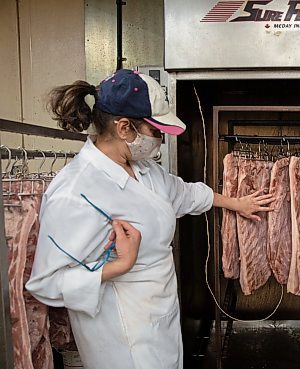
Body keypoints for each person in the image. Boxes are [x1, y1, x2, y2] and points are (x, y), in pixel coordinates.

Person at [26, 69, 274, 369]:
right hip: (120, 336)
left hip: (160, 317)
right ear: (124, 128)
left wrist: (235, 203)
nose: (160, 139)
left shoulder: (144, 170)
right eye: (156, 131)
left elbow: (184, 194)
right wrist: (119, 266)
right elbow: (47, 284)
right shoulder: (75, 190)